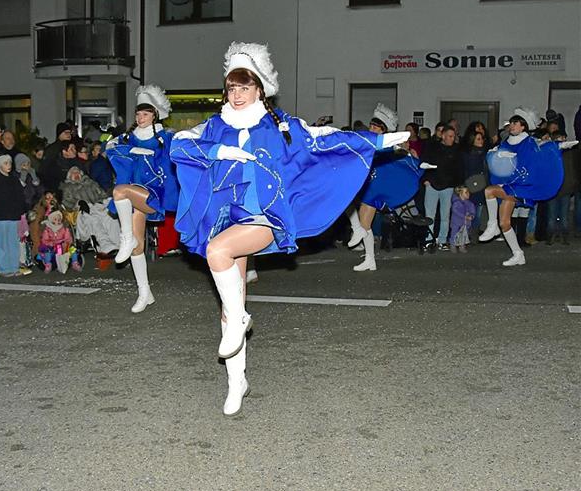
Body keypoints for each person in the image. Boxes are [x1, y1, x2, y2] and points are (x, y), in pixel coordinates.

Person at [170, 42, 407, 416]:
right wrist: (218, 151)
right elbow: (178, 147)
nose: (236, 95)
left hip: (264, 217)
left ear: (260, 89)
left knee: (217, 253)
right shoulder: (214, 126)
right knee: (230, 305)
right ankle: (237, 381)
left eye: (244, 87)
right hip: (225, 216)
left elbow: (325, 138)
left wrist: (377, 141)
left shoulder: (280, 127)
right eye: (231, 88)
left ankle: (241, 323)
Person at [106, 84, 177, 314]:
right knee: (138, 246)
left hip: (153, 193)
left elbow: (171, 159)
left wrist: (152, 154)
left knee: (119, 192)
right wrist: (126, 151)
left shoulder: (164, 137)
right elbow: (113, 151)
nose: (140, 117)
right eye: (138, 114)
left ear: (154, 114)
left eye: (145, 114)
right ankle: (144, 292)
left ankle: (124, 237)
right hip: (135, 193)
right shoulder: (128, 137)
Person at [479, 107, 576, 266]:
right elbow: (494, 155)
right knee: (506, 223)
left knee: (490, 190)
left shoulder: (529, 142)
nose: (512, 126)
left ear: (523, 126)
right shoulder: (506, 142)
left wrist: (561, 145)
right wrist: (496, 153)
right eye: (511, 123)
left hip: (522, 186)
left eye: (515, 123)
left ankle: (492, 225)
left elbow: (545, 148)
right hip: (510, 184)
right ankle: (518, 254)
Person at [346, 103, 427, 271]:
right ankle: (366, 250)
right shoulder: (365, 139)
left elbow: (401, 153)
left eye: (377, 127)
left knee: (363, 220)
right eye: (372, 125)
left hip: (378, 185)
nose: (373, 129)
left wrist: (411, 156)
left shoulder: (387, 144)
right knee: (348, 203)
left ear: (383, 130)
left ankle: (366, 250)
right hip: (366, 182)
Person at [422, 125, 463, 249]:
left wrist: (457, 185)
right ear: (443, 136)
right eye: (450, 136)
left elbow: (459, 169)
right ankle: (429, 239)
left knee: (445, 215)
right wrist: (425, 180)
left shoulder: (456, 150)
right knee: (430, 214)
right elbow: (423, 163)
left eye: (453, 136)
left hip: (448, 186)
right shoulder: (432, 147)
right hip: (432, 184)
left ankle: (442, 240)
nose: (452, 139)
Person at [0, 154, 27, 277]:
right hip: (1, 215)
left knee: (13, 242)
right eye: (5, 163)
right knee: (3, 242)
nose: (8, 166)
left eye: (9, 163)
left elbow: (20, 196)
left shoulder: (14, 180)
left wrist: (21, 210)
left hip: (13, 214)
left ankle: (14, 266)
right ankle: (4, 268)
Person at [449, 185, 476, 253]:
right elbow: (455, 211)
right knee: (454, 233)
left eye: (468, 192)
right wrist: (464, 216)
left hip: (466, 223)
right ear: (460, 193)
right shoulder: (456, 203)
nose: (468, 194)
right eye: (466, 192)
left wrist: (471, 216)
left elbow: (473, 211)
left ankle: (462, 245)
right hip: (456, 222)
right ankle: (453, 245)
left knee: (464, 234)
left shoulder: (470, 203)